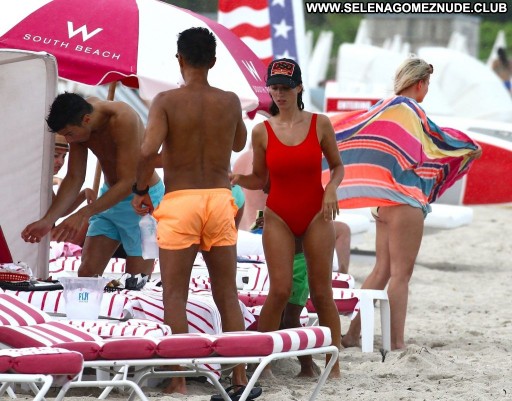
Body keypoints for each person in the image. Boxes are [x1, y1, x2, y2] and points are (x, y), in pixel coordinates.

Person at [131, 27, 260, 400]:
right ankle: (239, 378)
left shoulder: (166, 101)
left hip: (182, 200)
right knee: (227, 293)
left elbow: (147, 150)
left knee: (175, 293)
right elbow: (239, 142)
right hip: (219, 199)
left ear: (180, 59)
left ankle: (179, 379)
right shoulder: (230, 101)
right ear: (213, 61)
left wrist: (140, 190)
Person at [340, 57, 481, 350]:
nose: (426, 90)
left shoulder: (383, 107)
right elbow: (437, 141)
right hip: (405, 203)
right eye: (427, 84)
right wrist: (469, 147)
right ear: (419, 84)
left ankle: (353, 334)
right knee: (401, 276)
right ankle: (397, 343)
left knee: (381, 270)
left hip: (381, 203)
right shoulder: (413, 111)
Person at [231, 58, 344, 377]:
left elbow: (337, 166)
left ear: (299, 88)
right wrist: (237, 179)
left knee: (322, 293)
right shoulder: (262, 131)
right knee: (279, 291)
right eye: (275, 88)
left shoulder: (320, 124)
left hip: (316, 213)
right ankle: (260, 365)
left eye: (285, 88)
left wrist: (331, 189)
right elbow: (260, 179)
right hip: (279, 214)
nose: (279, 94)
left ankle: (333, 367)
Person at [21, 92, 163, 277]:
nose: (69, 141)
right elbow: (74, 177)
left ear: (87, 119)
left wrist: (83, 213)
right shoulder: (78, 123)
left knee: (136, 280)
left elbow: (129, 181)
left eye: (69, 134)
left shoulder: (122, 117)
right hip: (109, 196)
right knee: (86, 274)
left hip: (142, 199)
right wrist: (47, 221)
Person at [52, 134, 96, 246]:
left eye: (64, 156)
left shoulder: (46, 182)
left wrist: (83, 194)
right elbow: (57, 213)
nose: (60, 162)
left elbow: (58, 211)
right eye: (56, 155)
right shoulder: (37, 184)